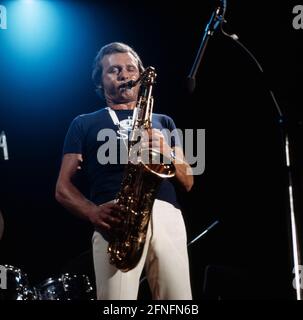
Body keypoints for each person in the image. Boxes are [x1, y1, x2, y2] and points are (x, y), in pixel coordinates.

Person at [55, 42, 193, 300]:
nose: (125, 74)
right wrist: (92, 212)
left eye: (131, 68)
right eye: (114, 70)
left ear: (141, 76)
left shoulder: (164, 121)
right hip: (117, 220)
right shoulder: (83, 122)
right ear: (100, 82)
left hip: (167, 217)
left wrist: (168, 153)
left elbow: (189, 180)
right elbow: (62, 188)